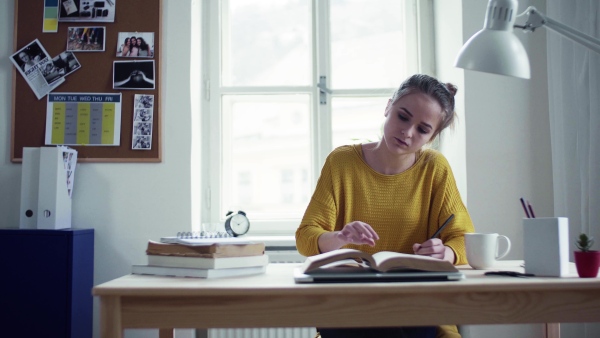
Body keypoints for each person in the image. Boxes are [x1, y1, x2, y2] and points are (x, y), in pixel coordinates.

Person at [295, 74, 475, 338]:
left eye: (423, 129)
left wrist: (445, 252)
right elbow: (306, 237)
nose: (407, 132)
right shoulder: (342, 162)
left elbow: (463, 239)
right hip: (352, 304)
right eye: (403, 116)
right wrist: (340, 237)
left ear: (432, 137)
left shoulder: (435, 169)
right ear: (388, 107)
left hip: (416, 306)